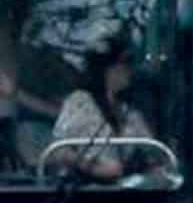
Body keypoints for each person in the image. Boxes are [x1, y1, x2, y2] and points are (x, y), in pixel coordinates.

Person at [50, 37, 167, 183]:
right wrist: (94, 168)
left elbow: (153, 150)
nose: (129, 71)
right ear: (106, 69)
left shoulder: (129, 111)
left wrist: (152, 164)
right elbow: (60, 151)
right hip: (84, 191)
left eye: (129, 66)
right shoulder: (79, 101)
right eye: (124, 65)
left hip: (123, 191)